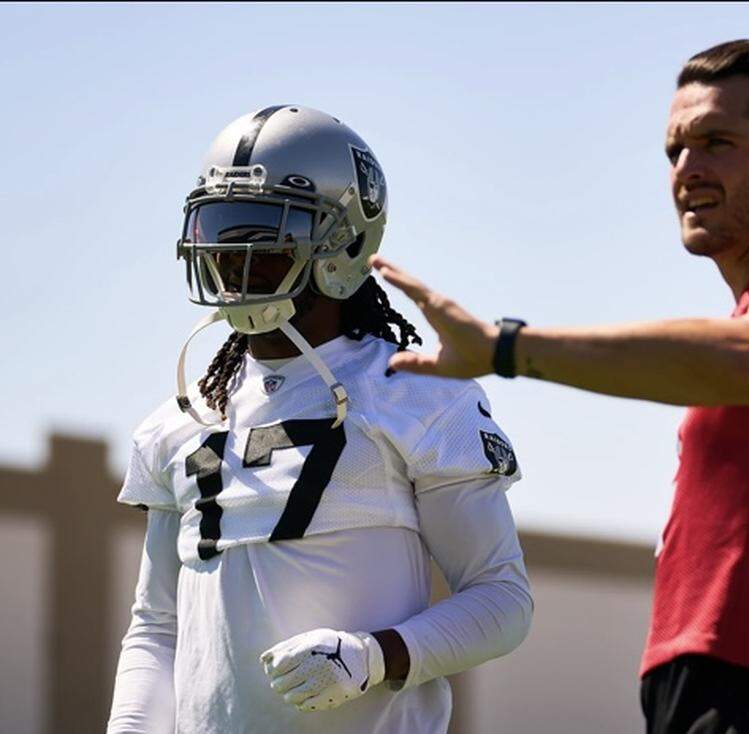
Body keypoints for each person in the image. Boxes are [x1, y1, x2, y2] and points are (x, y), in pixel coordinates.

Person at [371, 40, 749, 733]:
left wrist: (507, 348)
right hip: (731, 700)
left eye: (717, 142)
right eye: (675, 150)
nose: (686, 170)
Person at [107, 106, 532, 733]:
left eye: (264, 236)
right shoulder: (181, 418)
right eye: (222, 232)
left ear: (345, 244)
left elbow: (502, 601)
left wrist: (373, 657)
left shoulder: (416, 394)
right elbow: (156, 627)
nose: (234, 259)